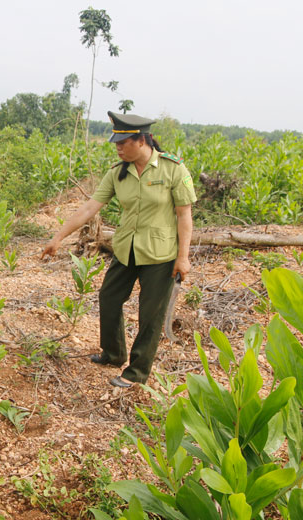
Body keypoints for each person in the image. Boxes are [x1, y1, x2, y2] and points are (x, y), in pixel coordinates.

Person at [41, 111, 196, 388]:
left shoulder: (173, 169)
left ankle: (136, 372)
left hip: (160, 255)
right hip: (126, 250)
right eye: (116, 144)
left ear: (142, 141)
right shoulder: (117, 174)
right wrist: (58, 237)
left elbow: (184, 215)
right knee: (109, 298)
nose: (118, 148)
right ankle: (113, 354)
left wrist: (183, 258)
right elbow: (90, 207)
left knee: (150, 313)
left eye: (123, 144)